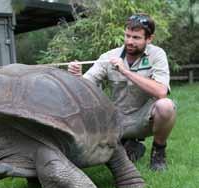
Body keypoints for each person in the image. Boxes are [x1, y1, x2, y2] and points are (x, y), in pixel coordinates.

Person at [68, 13, 176, 171]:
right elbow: (85, 86)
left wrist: (126, 72)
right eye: (127, 36)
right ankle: (129, 145)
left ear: (149, 39)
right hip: (115, 120)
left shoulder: (157, 55)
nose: (130, 41)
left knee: (166, 106)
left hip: (144, 119)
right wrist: (76, 76)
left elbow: (161, 91)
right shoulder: (109, 56)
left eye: (136, 38)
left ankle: (158, 152)